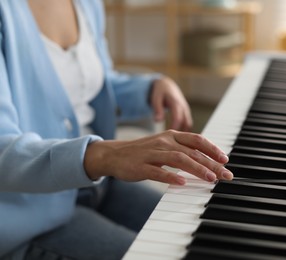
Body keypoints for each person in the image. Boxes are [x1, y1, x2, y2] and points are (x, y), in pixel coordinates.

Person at [0, 0, 234, 259]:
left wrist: (150, 88)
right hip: (31, 217)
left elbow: (87, 86)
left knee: (206, 230)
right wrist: (105, 155)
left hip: (100, 185)